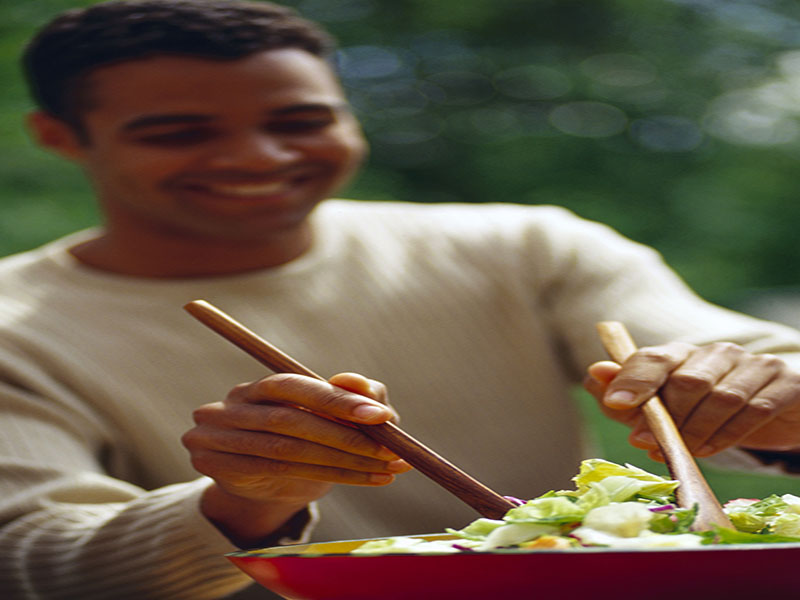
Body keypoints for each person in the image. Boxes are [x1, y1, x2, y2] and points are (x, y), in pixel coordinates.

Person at [2, 1, 800, 598]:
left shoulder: (527, 245)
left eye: (303, 119)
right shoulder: (15, 326)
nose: (259, 156)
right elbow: (33, 558)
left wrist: (769, 401)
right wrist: (244, 502)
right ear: (58, 137)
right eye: (177, 132)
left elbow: (730, 356)